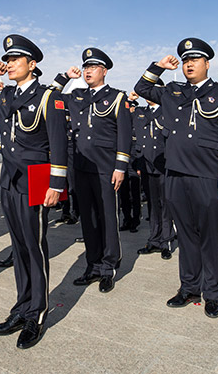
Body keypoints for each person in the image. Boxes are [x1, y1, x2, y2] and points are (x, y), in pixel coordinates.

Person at [0, 34, 68, 349]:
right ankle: (20, 308)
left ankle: (36, 314)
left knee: (34, 247)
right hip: (10, 179)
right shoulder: (6, 95)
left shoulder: (48, 97)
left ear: (32, 64)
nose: (9, 64)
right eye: (7, 60)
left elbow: (58, 143)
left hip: (38, 176)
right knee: (18, 246)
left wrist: (56, 184)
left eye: (15, 60)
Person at [134, 38, 218, 318]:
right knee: (186, 236)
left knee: (210, 237)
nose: (189, 64)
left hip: (208, 175)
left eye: (195, 60)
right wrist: (158, 66)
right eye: (185, 60)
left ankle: (213, 293)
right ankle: (190, 287)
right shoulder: (172, 91)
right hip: (176, 174)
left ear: (207, 64)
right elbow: (141, 88)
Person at [51, 47, 133, 293]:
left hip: (106, 168)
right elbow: (48, 96)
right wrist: (65, 77)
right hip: (82, 167)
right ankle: (93, 264)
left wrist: (120, 167)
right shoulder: (75, 96)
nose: (88, 71)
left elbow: (125, 136)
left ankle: (109, 266)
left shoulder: (117, 98)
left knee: (108, 217)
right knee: (88, 219)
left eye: (93, 67)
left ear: (104, 71)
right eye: (85, 67)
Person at [133, 86, 173, 260]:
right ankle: (154, 240)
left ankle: (166, 241)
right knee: (152, 205)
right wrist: (130, 100)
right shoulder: (141, 112)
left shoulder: (167, 111)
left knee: (166, 205)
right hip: (147, 165)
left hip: (164, 164)